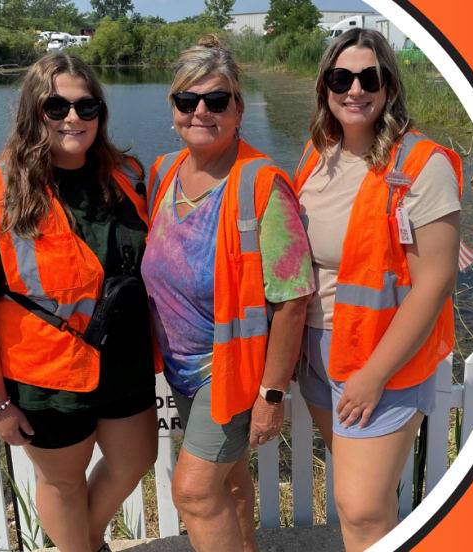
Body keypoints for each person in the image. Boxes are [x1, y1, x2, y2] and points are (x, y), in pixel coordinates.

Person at [0, 53, 156, 552]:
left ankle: (85, 541)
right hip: (47, 378)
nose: (73, 118)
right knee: (64, 483)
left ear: (100, 114)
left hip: (125, 364)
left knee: (136, 460)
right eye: (57, 106)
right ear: (34, 111)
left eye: (86, 106)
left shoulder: (127, 175)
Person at [292, 28, 463, 550]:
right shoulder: (316, 156)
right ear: (324, 85)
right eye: (341, 78)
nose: (355, 89)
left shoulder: (420, 165)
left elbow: (435, 282)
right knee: (366, 498)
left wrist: (375, 373)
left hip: (380, 359)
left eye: (370, 77)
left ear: (389, 86)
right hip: (319, 352)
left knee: (361, 509)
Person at [142, 35, 314, 552]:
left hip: (232, 374)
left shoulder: (262, 184)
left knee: (193, 493)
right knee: (231, 482)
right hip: (181, 368)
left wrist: (271, 395)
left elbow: (292, 300)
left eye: (216, 101)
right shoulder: (162, 172)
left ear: (238, 107)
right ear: (172, 106)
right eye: (187, 100)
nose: (201, 111)